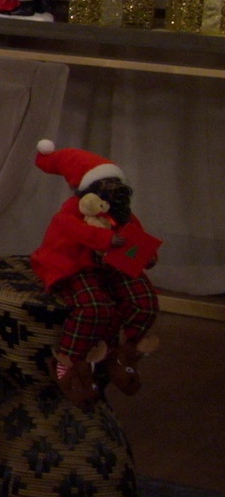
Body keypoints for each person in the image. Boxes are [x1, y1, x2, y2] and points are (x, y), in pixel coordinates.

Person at [28, 141, 162, 408]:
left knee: (144, 300)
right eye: (106, 185)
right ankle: (69, 364)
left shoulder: (122, 214)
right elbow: (68, 228)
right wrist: (104, 239)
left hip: (112, 266)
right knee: (94, 307)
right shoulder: (74, 210)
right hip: (75, 265)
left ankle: (122, 351)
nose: (113, 192)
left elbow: (136, 237)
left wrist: (146, 255)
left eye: (117, 185)